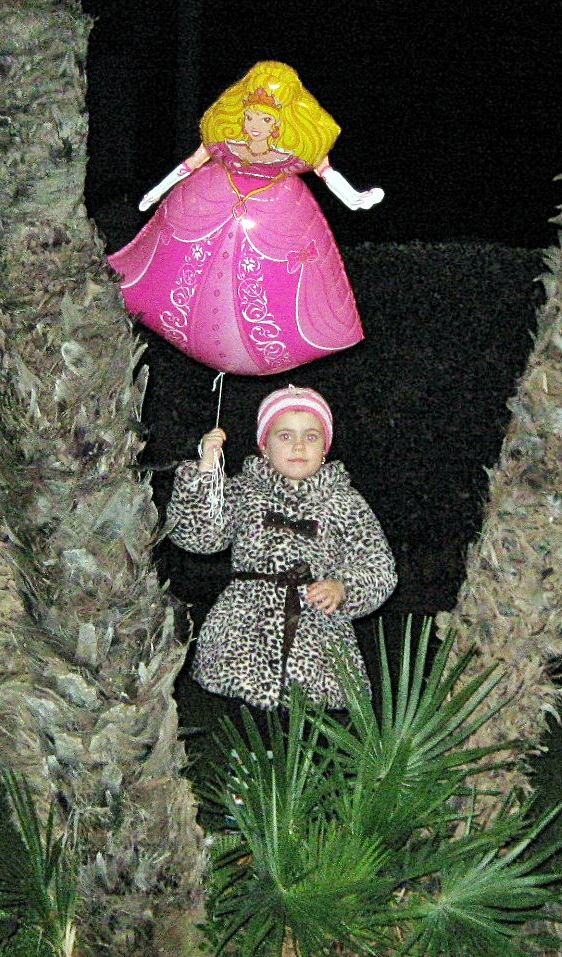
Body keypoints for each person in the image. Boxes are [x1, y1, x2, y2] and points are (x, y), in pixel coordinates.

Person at [107, 61, 384, 376]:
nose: (255, 125)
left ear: (278, 125)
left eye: (265, 119)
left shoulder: (290, 156)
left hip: (275, 212)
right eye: (250, 117)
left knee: (286, 275)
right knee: (177, 258)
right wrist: (157, 191)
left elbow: (326, 172)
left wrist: (353, 197)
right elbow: (190, 164)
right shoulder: (225, 146)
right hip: (211, 199)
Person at [167, 386, 397, 711]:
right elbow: (199, 535)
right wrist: (205, 473)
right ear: (264, 445)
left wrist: (343, 587)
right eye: (285, 436)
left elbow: (379, 566)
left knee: (306, 726)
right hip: (244, 638)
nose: (299, 446)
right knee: (246, 723)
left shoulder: (345, 502)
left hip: (316, 642)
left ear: (325, 448)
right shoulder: (244, 492)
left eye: (311, 437)